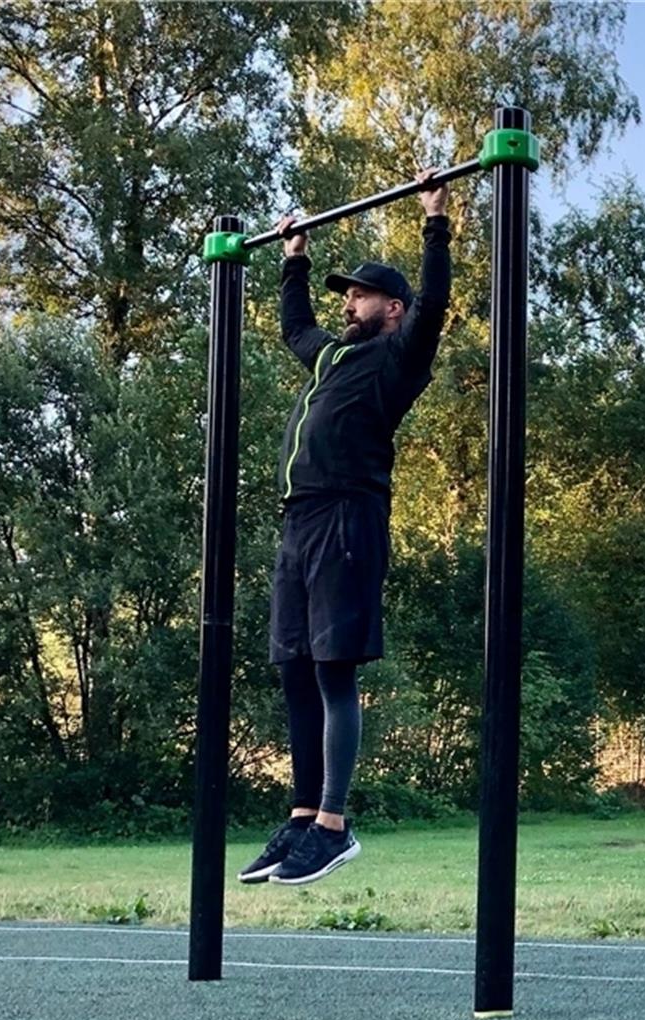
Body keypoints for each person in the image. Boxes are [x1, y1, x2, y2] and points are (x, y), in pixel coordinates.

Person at [238, 167, 451, 887]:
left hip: (347, 520)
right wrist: (292, 259)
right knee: (293, 667)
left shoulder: (398, 359)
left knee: (332, 672)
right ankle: (302, 815)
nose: (350, 301)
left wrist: (435, 220)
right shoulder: (331, 354)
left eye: (359, 292)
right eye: (347, 293)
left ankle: (334, 824)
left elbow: (436, 307)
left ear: (391, 307)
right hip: (298, 524)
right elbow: (295, 325)